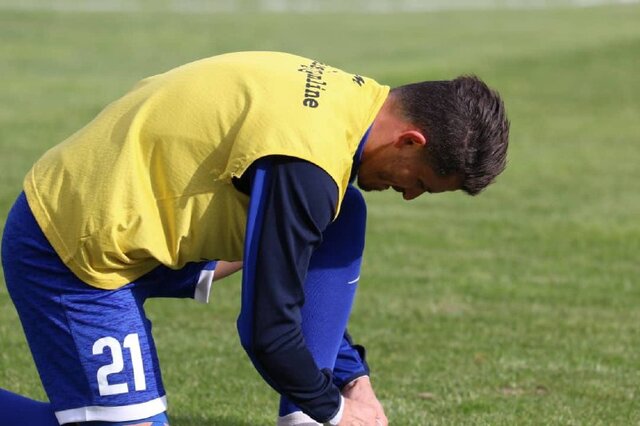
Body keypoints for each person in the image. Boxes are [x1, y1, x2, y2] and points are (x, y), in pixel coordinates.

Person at [0, 51, 509, 426]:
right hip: (75, 244)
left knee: (343, 214)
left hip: (142, 212)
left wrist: (353, 379)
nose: (410, 196)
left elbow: (300, 272)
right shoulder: (308, 164)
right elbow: (268, 330)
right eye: (420, 183)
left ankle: (301, 419)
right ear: (410, 140)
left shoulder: (353, 103)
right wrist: (335, 411)